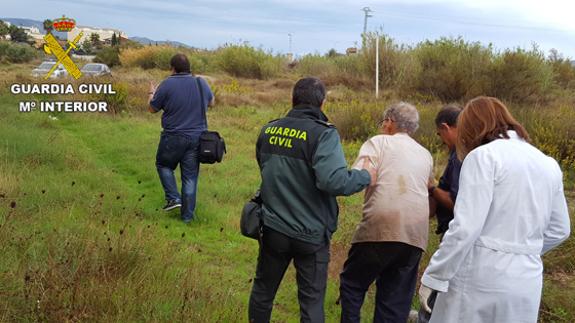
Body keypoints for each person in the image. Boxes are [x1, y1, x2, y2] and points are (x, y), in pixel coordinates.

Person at [419, 96, 571, 323]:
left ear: (472, 127)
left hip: (480, 276)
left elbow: (465, 228)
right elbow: (560, 230)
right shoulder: (547, 163)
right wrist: (521, 250)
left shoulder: (483, 157)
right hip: (527, 279)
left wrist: (433, 277)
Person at [248, 77, 376, 323]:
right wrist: (364, 176)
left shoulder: (269, 129)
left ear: (292, 99)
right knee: (311, 302)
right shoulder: (323, 134)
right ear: (322, 102)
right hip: (311, 234)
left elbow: (264, 168)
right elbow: (334, 181)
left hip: (273, 229)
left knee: (263, 292)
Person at [339, 102, 434, 323]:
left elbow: (363, 177)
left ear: (390, 122)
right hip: (415, 235)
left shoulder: (378, 143)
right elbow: (429, 188)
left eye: (384, 122)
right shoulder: (425, 154)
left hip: (380, 227)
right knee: (395, 299)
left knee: (353, 284)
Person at [148, 53, 215, 223]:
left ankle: (173, 198)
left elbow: (152, 109)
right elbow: (211, 103)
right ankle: (187, 218)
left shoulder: (167, 84)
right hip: (197, 138)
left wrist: (151, 92)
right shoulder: (201, 82)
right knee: (190, 177)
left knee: (163, 165)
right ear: (189, 67)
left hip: (173, 137)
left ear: (173, 68)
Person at [418, 104, 462, 323]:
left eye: (440, 134)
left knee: (440, 289)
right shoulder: (461, 153)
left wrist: (432, 187)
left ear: (446, 127)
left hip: (457, 235)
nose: (442, 140)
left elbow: (456, 203)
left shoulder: (462, 157)